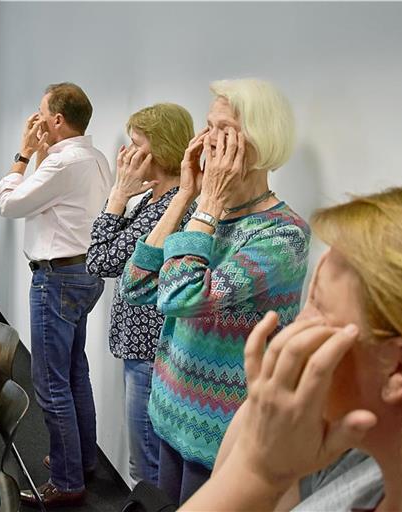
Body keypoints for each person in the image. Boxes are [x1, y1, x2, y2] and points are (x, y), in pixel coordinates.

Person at [182, 183, 402, 511]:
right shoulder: (373, 460)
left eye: (316, 305)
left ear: (398, 368)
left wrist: (255, 470)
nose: (294, 327)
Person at [120, 78, 310, 504]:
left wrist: (204, 207)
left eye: (224, 130)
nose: (206, 142)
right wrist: (186, 194)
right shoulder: (205, 216)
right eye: (208, 126)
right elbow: (135, 285)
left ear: (258, 144)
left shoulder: (283, 234)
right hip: (170, 411)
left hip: (221, 436)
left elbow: (180, 297)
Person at [0, 82, 112, 507]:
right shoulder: (92, 157)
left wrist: (23, 153)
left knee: (51, 383)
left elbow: (8, 204)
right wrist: (42, 154)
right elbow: (47, 201)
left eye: (42, 112)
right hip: (84, 273)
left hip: (56, 279)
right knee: (75, 372)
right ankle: (80, 460)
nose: (37, 118)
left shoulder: (63, 165)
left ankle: (66, 479)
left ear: (57, 120)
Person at [86, 103, 196, 485]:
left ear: (161, 151)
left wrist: (117, 194)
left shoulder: (171, 209)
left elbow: (100, 261)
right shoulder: (152, 201)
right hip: (140, 350)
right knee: (146, 463)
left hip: (152, 356)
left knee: (147, 469)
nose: (127, 155)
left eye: (135, 145)